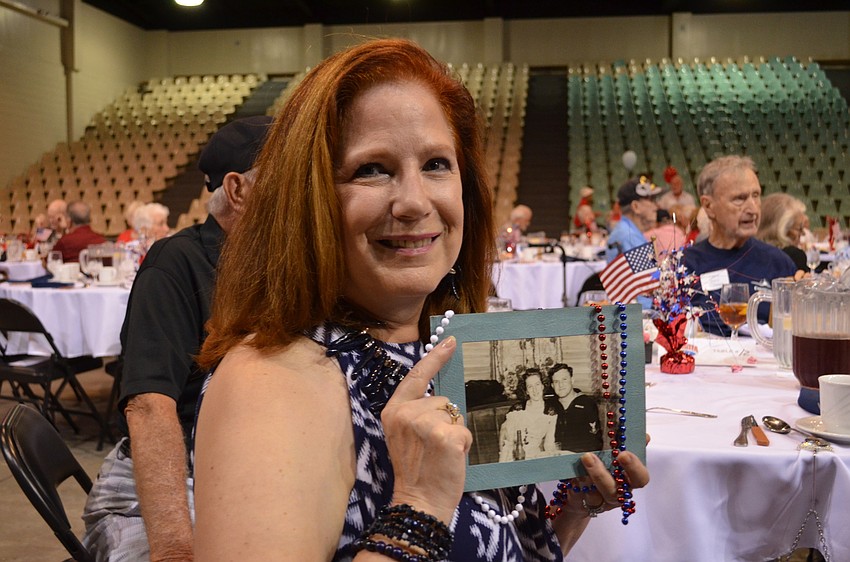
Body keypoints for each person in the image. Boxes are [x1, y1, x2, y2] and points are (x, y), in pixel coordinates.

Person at [191, 39, 648, 561]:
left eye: (435, 163)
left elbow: (489, 546)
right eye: (371, 169)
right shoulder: (270, 381)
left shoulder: (447, 346)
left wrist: (575, 505)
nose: (413, 202)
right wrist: (420, 503)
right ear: (309, 199)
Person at [81, 116, 273, 562]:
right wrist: (175, 551)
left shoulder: (281, 265)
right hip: (168, 479)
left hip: (248, 470)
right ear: (239, 190)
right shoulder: (175, 263)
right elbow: (149, 408)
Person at [682, 155, 796, 336]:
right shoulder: (685, 265)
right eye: (739, 199)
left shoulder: (779, 264)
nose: (753, 209)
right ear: (709, 206)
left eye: (756, 195)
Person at [498, 368, 558, 462]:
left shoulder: (550, 412)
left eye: (537, 384)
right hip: (513, 456)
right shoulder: (517, 409)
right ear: (526, 391)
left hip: (535, 457)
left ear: (543, 386)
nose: (535, 390)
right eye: (530, 387)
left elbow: (549, 443)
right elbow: (504, 437)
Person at [605, 175, 663, 262]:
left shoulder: (626, 229)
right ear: (635, 206)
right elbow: (647, 274)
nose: (657, 206)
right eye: (651, 200)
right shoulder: (630, 236)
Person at [547, 363, 602, 453]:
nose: (560, 385)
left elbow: (595, 443)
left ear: (572, 380)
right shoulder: (550, 405)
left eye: (564, 380)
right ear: (552, 386)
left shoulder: (587, 404)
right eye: (556, 382)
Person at [757, 192, 808, 273]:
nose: (803, 234)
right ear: (782, 231)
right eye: (799, 229)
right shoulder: (794, 256)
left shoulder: (748, 253)